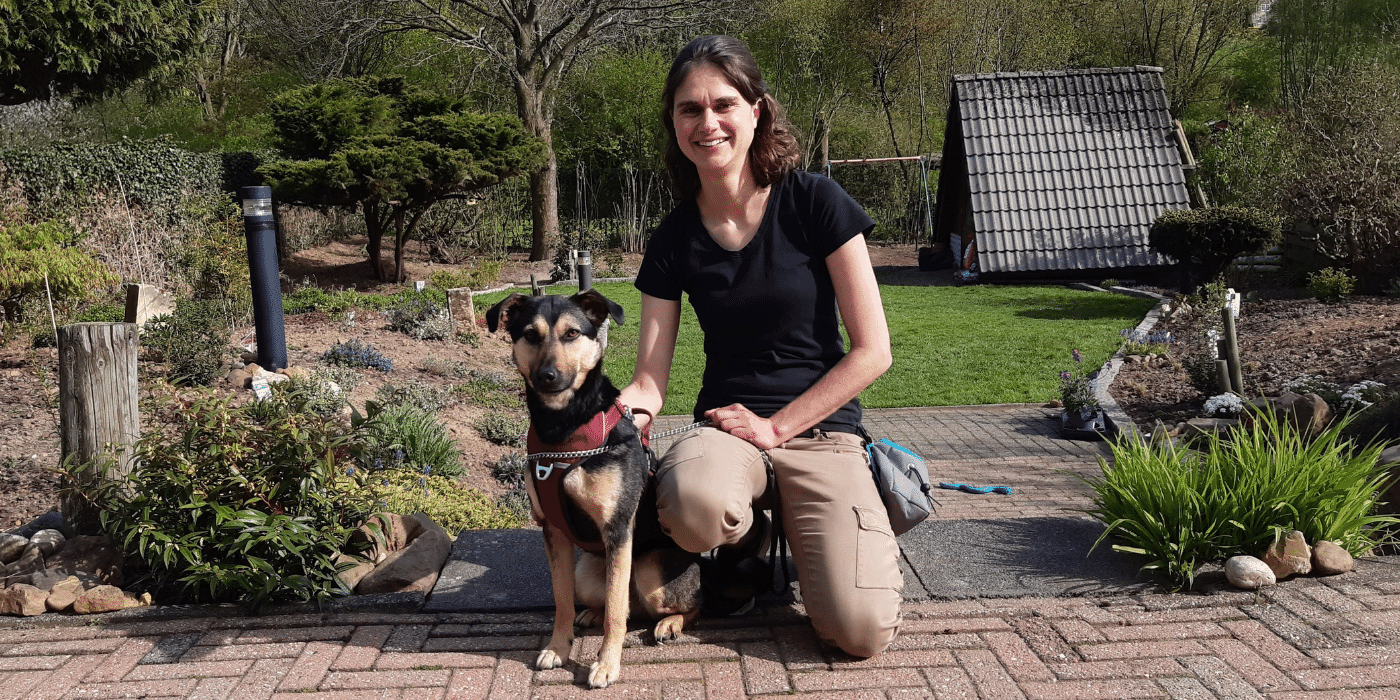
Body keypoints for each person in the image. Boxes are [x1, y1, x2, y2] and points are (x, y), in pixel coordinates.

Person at [617, 34, 902, 658]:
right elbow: (649, 381)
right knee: (692, 505)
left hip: (821, 430)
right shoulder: (673, 237)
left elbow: (873, 350)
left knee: (859, 633)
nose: (707, 122)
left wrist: (775, 428)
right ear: (673, 122)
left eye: (724, 104)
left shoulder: (816, 202)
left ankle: (812, 534)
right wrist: (604, 427)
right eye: (689, 109)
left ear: (757, 111)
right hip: (724, 430)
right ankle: (743, 543)